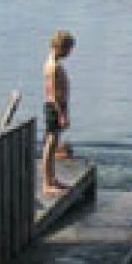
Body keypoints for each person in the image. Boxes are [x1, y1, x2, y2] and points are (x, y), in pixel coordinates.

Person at [42, 29, 75, 196]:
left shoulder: (52, 62)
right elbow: (53, 93)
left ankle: (52, 179)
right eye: (68, 49)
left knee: (54, 143)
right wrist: (61, 114)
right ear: (60, 47)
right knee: (50, 144)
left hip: (56, 107)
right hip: (54, 108)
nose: (69, 53)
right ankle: (47, 183)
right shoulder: (53, 66)